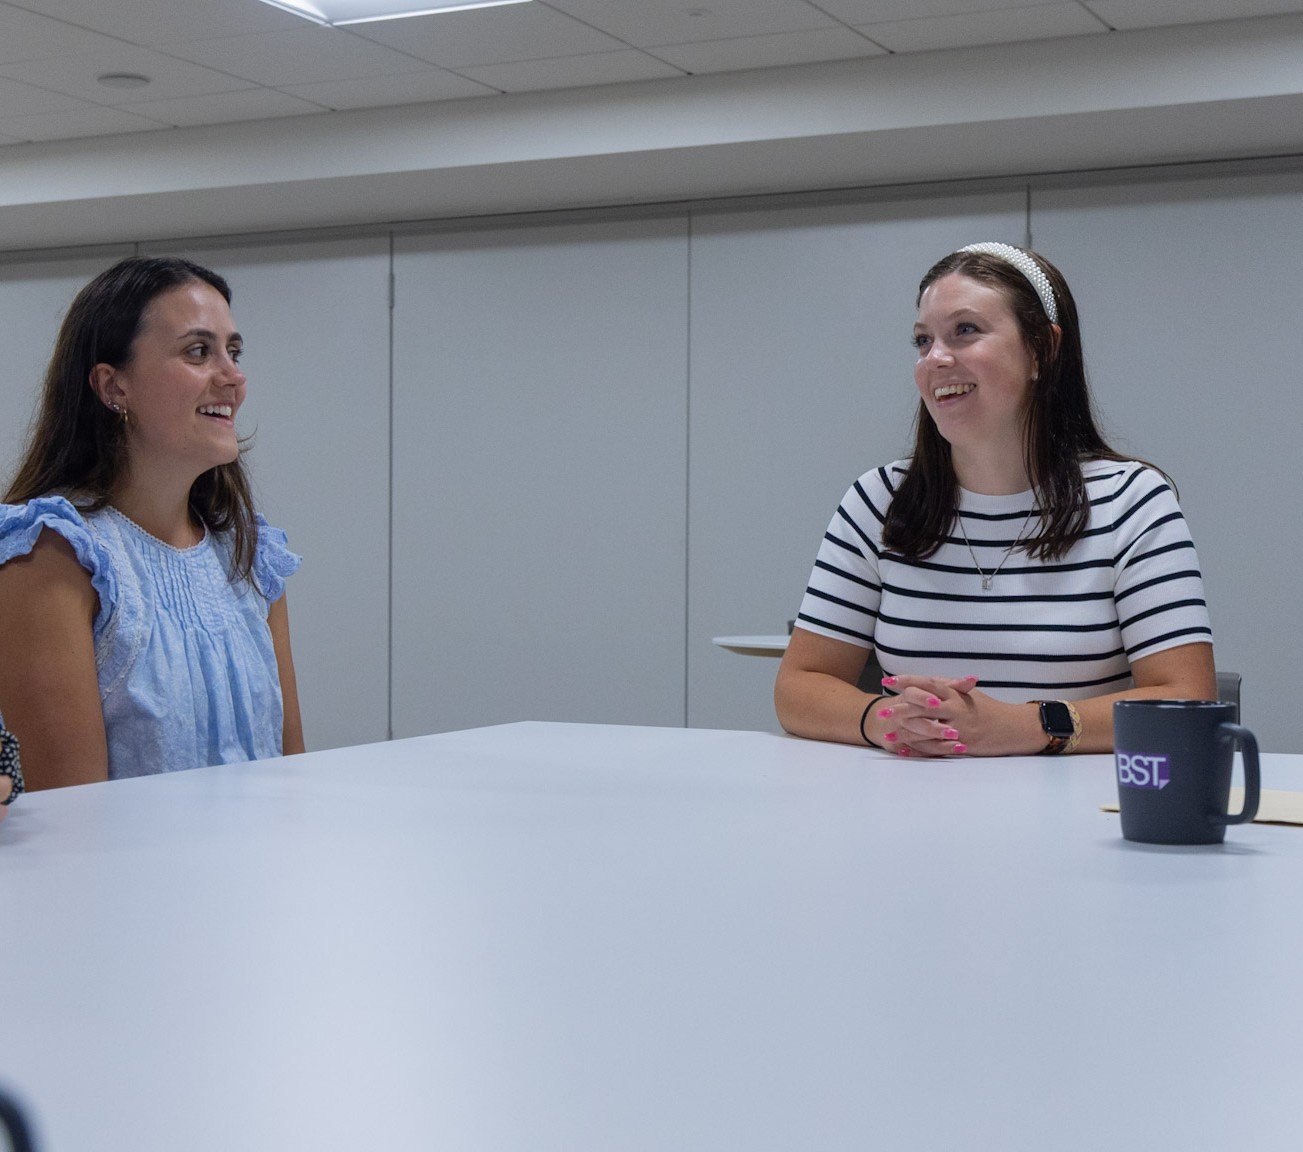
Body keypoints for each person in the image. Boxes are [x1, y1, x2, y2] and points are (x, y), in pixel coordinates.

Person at [774, 242, 1215, 757]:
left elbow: (1186, 697)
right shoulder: (878, 500)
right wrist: (887, 719)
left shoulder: (1132, 502)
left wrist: (1029, 726)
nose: (935, 358)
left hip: (1074, 819)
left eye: (965, 330)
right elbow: (798, 685)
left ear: (1042, 351)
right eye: (922, 340)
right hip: (907, 814)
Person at [0, 256, 304, 790]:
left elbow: (295, 780)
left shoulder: (252, 557)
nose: (234, 378)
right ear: (112, 386)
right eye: (198, 351)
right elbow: (71, 828)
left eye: (233, 351)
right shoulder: (54, 555)